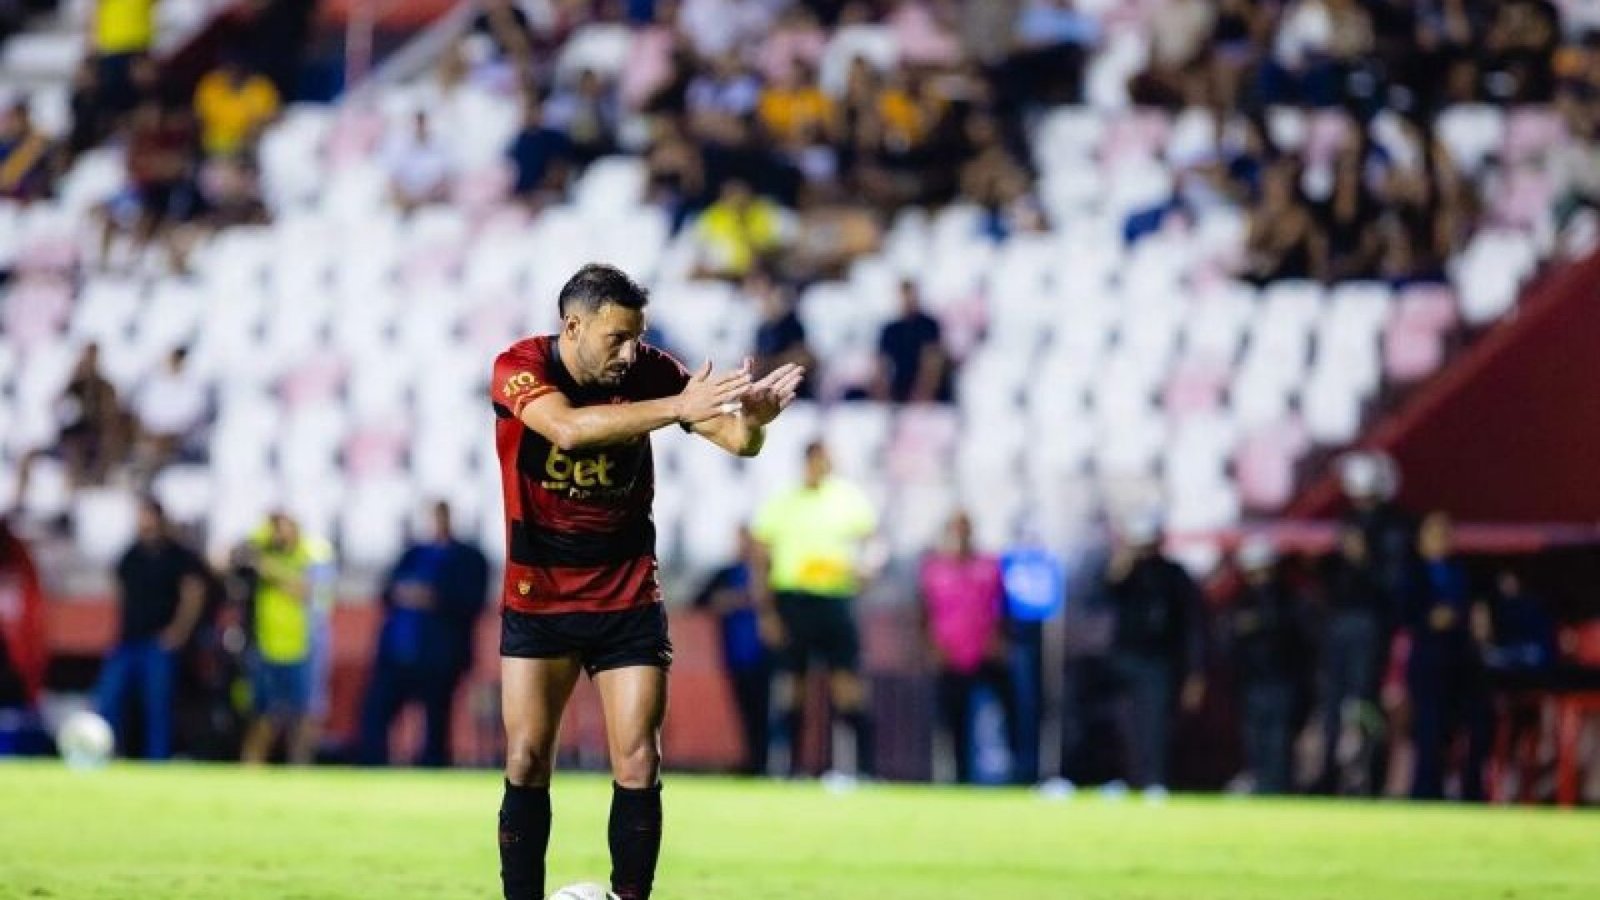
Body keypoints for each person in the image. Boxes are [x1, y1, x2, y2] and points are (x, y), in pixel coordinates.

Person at [490, 263, 803, 900]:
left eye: (637, 338)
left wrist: (758, 421)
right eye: (616, 339)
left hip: (627, 592)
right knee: (526, 758)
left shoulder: (651, 372)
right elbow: (567, 430)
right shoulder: (521, 366)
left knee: (639, 759)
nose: (630, 353)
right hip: (540, 591)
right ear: (572, 327)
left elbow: (737, 440)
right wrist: (678, 407)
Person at [751, 441, 879, 783]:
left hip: (835, 599)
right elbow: (761, 557)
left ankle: (862, 770)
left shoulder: (848, 498)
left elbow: (874, 542)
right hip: (793, 601)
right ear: (807, 462)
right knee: (793, 687)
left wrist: (869, 567)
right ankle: (791, 769)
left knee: (847, 686)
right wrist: (767, 613)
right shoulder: (783, 502)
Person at [359, 501, 490, 767]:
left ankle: (432, 765)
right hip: (398, 651)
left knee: (436, 719)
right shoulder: (412, 553)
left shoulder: (470, 557)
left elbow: (473, 601)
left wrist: (434, 598)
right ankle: (373, 764)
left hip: (441, 655)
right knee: (377, 713)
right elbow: (385, 591)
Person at [94, 498, 208, 760]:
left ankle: (157, 759)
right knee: (108, 700)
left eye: (146, 516)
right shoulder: (130, 555)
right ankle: (107, 754)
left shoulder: (177, 555)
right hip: (128, 641)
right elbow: (119, 589)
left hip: (157, 643)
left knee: (157, 707)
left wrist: (178, 632)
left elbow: (194, 593)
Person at [1103, 515, 1206, 796]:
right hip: (1125, 659)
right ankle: (1127, 778)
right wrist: (1123, 563)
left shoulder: (1174, 575)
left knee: (1156, 723)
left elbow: (1192, 626)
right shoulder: (1126, 574)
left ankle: (1154, 780)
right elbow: (1107, 593)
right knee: (1125, 724)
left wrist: (1195, 671)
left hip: (1160, 661)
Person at [920, 511, 1013, 784]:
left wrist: (998, 639)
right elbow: (925, 611)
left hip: (986, 653)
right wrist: (932, 645)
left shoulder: (989, 566)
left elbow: (1002, 608)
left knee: (1004, 710)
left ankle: (1014, 770)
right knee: (954, 720)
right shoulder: (935, 569)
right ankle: (960, 777)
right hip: (950, 655)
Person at [1406, 512, 1491, 801]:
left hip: (1462, 664)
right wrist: (1429, 619)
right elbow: (1401, 611)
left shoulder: (1466, 572)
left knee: (1473, 730)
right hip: (1429, 664)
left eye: (1446, 533)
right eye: (1435, 533)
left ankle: (1471, 792)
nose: (1442, 540)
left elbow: (1477, 611)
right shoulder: (1411, 574)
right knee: (1430, 732)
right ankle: (1426, 794)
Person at [239, 512, 332, 766]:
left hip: (302, 646)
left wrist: (269, 568)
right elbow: (236, 552)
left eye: (283, 527)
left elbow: (308, 592)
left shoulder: (311, 555)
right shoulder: (263, 553)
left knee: (303, 717)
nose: (278, 534)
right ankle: (251, 769)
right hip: (267, 645)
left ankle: (299, 767)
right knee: (263, 716)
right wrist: (262, 536)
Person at [1226, 537, 1311, 795]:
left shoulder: (1290, 600)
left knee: (1280, 742)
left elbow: (1303, 640)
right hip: (1251, 682)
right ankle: (1260, 786)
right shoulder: (1240, 603)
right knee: (1255, 741)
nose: (1259, 578)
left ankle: (1279, 791)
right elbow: (1228, 641)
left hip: (1282, 681)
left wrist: (1263, 623)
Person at [1316, 523, 1389, 795]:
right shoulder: (1332, 572)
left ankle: (1366, 777)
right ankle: (1330, 776)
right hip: (1338, 665)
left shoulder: (1378, 574)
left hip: (1365, 676)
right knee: (1333, 716)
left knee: (1363, 713)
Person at [692, 526, 771, 776]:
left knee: (768, 711)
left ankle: (767, 763)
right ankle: (753, 762)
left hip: (768, 656)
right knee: (745, 710)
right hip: (736, 654)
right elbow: (699, 600)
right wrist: (728, 600)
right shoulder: (727, 574)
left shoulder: (772, 575)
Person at [873, 280, 953, 404]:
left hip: (931, 398)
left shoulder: (929, 325)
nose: (908, 299)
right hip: (900, 394)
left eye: (911, 294)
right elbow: (881, 366)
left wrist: (921, 396)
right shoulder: (891, 329)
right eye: (904, 295)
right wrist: (883, 396)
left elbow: (933, 364)